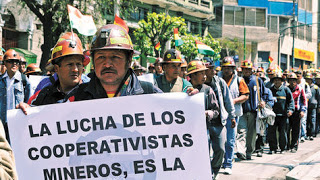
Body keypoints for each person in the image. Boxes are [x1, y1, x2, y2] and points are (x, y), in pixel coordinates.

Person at [65, 24, 162, 101]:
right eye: (101, 57)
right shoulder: (76, 98)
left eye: (115, 57)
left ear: (129, 60)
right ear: (93, 60)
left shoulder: (150, 94)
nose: (107, 64)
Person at [186, 60, 220, 179]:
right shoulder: (183, 89)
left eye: (205, 73)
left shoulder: (207, 90)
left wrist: (208, 113)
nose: (205, 76)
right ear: (193, 75)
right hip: (184, 132)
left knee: (203, 155)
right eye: (201, 73)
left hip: (202, 130)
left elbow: (216, 110)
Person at [204, 58, 236, 179]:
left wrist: (232, 116)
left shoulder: (219, 82)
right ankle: (206, 173)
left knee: (221, 149)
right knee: (204, 150)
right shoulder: (195, 83)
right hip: (203, 123)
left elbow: (227, 100)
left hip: (218, 122)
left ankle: (214, 171)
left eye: (212, 68)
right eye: (209, 69)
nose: (212, 71)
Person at [219, 57, 249, 175]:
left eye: (229, 68)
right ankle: (219, 161)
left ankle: (228, 164)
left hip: (233, 115)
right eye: (225, 68)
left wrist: (234, 101)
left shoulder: (239, 80)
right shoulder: (216, 79)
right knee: (219, 140)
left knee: (230, 140)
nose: (227, 70)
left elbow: (245, 95)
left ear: (233, 68)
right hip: (219, 114)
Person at [236, 59, 269, 160]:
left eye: (248, 69)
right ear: (242, 70)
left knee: (252, 134)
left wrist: (263, 101)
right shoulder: (238, 80)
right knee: (241, 131)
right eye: (245, 69)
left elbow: (265, 93)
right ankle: (241, 151)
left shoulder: (257, 80)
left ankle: (249, 152)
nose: (246, 71)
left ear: (252, 70)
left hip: (254, 112)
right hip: (242, 111)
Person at [0, 49, 31, 141]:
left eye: (16, 61)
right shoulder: (1, 80)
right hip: (2, 122)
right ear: (4, 63)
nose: (14, 64)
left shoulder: (24, 80)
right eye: (10, 61)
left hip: (17, 121)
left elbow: (28, 102)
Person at [268, 72, 294, 154]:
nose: (277, 82)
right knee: (271, 132)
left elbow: (291, 101)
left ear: (281, 81)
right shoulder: (270, 90)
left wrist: (290, 110)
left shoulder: (286, 90)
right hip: (272, 115)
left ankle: (283, 148)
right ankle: (273, 148)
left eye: (278, 80)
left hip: (283, 115)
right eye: (275, 80)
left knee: (283, 132)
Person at [287, 72, 307, 153]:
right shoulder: (286, 89)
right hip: (288, 112)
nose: (292, 82)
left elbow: (304, 100)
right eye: (290, 80)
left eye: (294, 80)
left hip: (296, 112)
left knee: (296, 130)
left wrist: (302, 111)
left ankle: (294, 146)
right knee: (287, 129)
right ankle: (288, 145)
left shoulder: (300, 89)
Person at [296, 70, 311, 142]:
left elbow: (309, 94)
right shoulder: (294, 84)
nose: (298, 76)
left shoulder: (305, 84)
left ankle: (303, 135)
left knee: (303, 121)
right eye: (297, 75)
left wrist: (303, 96)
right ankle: (297, 136)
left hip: (303, 105)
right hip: (296, 106)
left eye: (299, 75)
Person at [305, 73, 320, 140]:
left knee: (312, 120)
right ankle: (307, 133)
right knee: (307, 120)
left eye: (309, 79)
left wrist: (319, 106)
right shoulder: (305, 86)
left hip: (313, 106)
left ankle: (312, 133)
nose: (308, 81)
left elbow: (319, 97)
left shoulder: (316, 87)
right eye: (306, 79)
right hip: (306, 105)